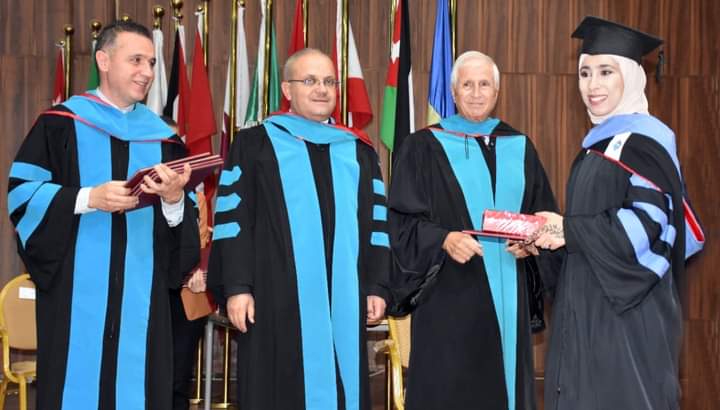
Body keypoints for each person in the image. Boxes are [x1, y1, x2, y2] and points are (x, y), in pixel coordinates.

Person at [6, 20, 200, 409]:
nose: (147, 72)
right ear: (104, 60)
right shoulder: (60, 124)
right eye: (136, 60)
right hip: (75, 296)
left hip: (143, 301)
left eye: (151, 62)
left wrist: (174, 199)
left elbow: (184, 228)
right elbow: (22, 195)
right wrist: (87, 198)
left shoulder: (164, 140)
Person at [533, 16, 705, 410]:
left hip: (629, 320)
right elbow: (586, 238)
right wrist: (544, 242)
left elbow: (649, 226)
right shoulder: (596, 147)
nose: (592, 85)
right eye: (585, 73)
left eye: (605, 72)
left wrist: (569, 231)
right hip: (587, 315)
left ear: (630, 76)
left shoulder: (646, 143)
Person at [207, 48, 390, 410]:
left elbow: (376, 226)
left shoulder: (358, 150)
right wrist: (237, 287)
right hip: (273, 296)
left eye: (329, 81)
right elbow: (233, 220)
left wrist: (377, 286)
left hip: (344, 294)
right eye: (310, 80)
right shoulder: (255, 144)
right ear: (287, 89)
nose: (321, 89)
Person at [387, 51, 559, 410]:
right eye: (467, 85)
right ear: (453, 92)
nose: (477, 93)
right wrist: (444, 239)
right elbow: (400, 221)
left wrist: (531, 243)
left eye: (484, 84)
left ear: (497, 91)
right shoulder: (423, 147)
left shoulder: (520, 146)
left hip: (509, 290)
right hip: (449, 294)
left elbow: (544, 216)